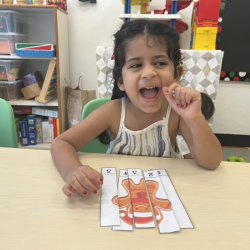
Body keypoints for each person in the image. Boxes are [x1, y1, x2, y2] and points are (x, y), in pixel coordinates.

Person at [51, 19, 222, 198]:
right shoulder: (113, 112)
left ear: (176, 75)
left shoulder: (177, 114)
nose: (149, 73)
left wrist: (195, 118)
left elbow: (211, 162)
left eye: (160, 63)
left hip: (165, 195)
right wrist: (72, 170)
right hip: (118, 194)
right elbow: (61, 143)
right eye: (136, 65)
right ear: (121, 82)